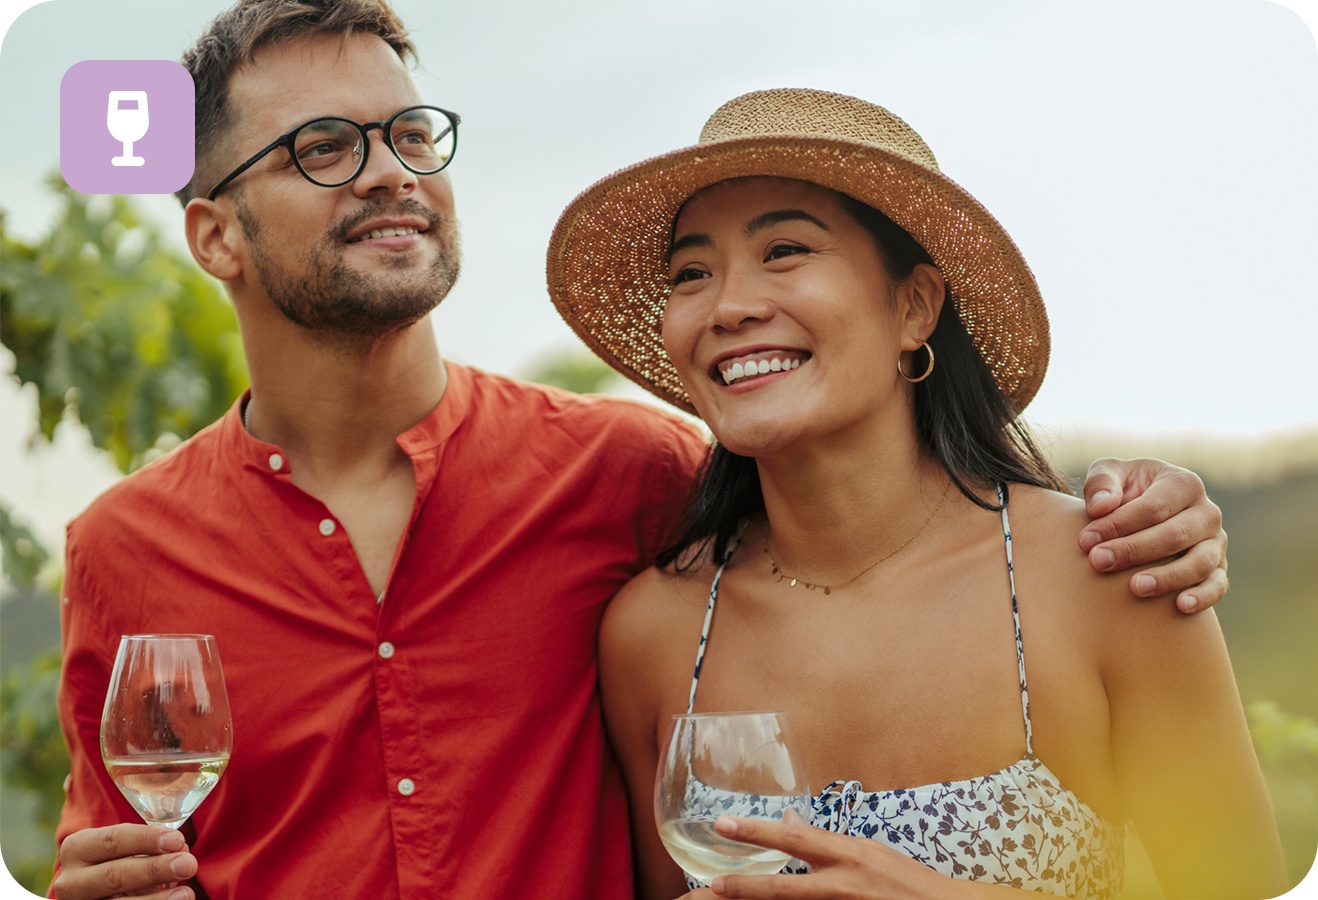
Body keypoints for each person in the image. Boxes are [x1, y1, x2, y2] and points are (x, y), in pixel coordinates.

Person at [47, 1, 1230, 897]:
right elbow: (124, 849)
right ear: (215, 235)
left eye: (408, 133)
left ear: (915, 304)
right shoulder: (125, 551)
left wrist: (1158, 506)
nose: (393, 172)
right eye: (323, 147)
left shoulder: (627, 477)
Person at [546, 88, 1287, 899]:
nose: (729, 306)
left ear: (915, 307)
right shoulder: (655, 634)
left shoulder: (1107, 573)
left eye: (785, 250)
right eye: (692, 273)